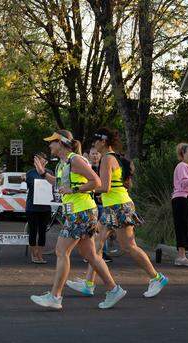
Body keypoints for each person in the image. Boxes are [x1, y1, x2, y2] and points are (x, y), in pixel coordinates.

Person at [67, 128, 169, 298]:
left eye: (96, 141)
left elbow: (104, 187)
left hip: (118, 206)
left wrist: (81, 190)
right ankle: (88, 284)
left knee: (128, 246)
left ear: (103, 142)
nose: (94, 144)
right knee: (97, 245)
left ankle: (157, 277)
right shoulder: (112, 157)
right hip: (113, 206)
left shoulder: (107, 158)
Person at [30, 129, 126, 310]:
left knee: (61, 251)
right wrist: (43, 174)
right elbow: (60, 185)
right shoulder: (62, 163)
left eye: (53, 142)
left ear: (62, 143)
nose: (50, 145)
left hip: (81, 212)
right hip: (79, 212)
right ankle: (114, 290)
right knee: (90, 255)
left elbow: (96, 182)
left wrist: (74, 190)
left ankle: (55, 296)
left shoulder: (76, 160)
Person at [25, 152, 52, 264]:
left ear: (45, 161)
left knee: (42, 232)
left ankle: (40, 255)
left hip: (45, 208)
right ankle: (33, 254)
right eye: (35, 159)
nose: (37, 161)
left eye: (40, 159)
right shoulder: (30, 173)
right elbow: (33, 185)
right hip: (32, 207)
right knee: (32, 231)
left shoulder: (50, 173)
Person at [87, 146, 112, 263]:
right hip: (91, 203)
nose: (95, 156)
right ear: (89, 155)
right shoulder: (87, 168)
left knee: (102, 230)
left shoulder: (104, 167)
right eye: (93, 154)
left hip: (103, 203)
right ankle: (90, 253)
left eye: (97, 154)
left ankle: (103, 253)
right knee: (92, 229)